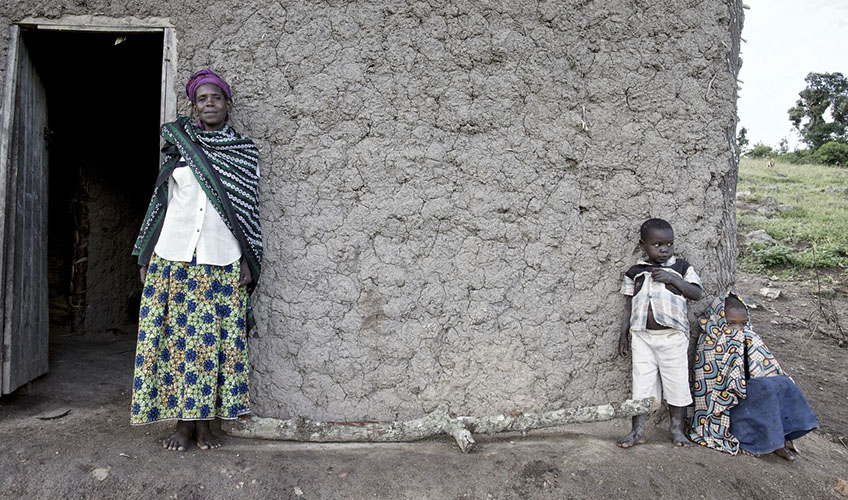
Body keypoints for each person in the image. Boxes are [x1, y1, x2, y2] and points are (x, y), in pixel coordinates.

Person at [129, 69, 262, 451]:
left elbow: (248, 213)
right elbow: (161, 205)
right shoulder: (179, 147)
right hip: (173, 260)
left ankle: (205, 426)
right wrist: (145, 252)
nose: (209, 105)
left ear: (228, 104)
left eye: (216, 98)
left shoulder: (243, 153)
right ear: (193, 106)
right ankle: (182, 426)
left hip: (220, 263)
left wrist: (248, 260)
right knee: (176, 345)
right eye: (202, 99)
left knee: (212, 347)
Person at [689, 293, 818, 460]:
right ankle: (768, 442)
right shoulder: (709, 342)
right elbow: (717, 385)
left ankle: (781, 438)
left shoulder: (749, 337)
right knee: (765, 388)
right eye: (731, 324)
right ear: (718, 320)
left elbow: (765, 366)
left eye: (742, 324)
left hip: (746, 391)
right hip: (726, 404)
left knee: (782, 383)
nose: (737, 329)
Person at [617, 218, 703, 447]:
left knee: (676, 383)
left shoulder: (681, 268)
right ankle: (638, 431)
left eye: (669, 244)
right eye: (657, 244)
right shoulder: (635, 271)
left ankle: (677, 430)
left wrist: (673, 279)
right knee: (641, 384)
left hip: (672, 337)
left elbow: (696, 293)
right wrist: (623, 335)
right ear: (643, 244)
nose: (664, 249)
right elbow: (628, 305)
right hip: (642, 337)